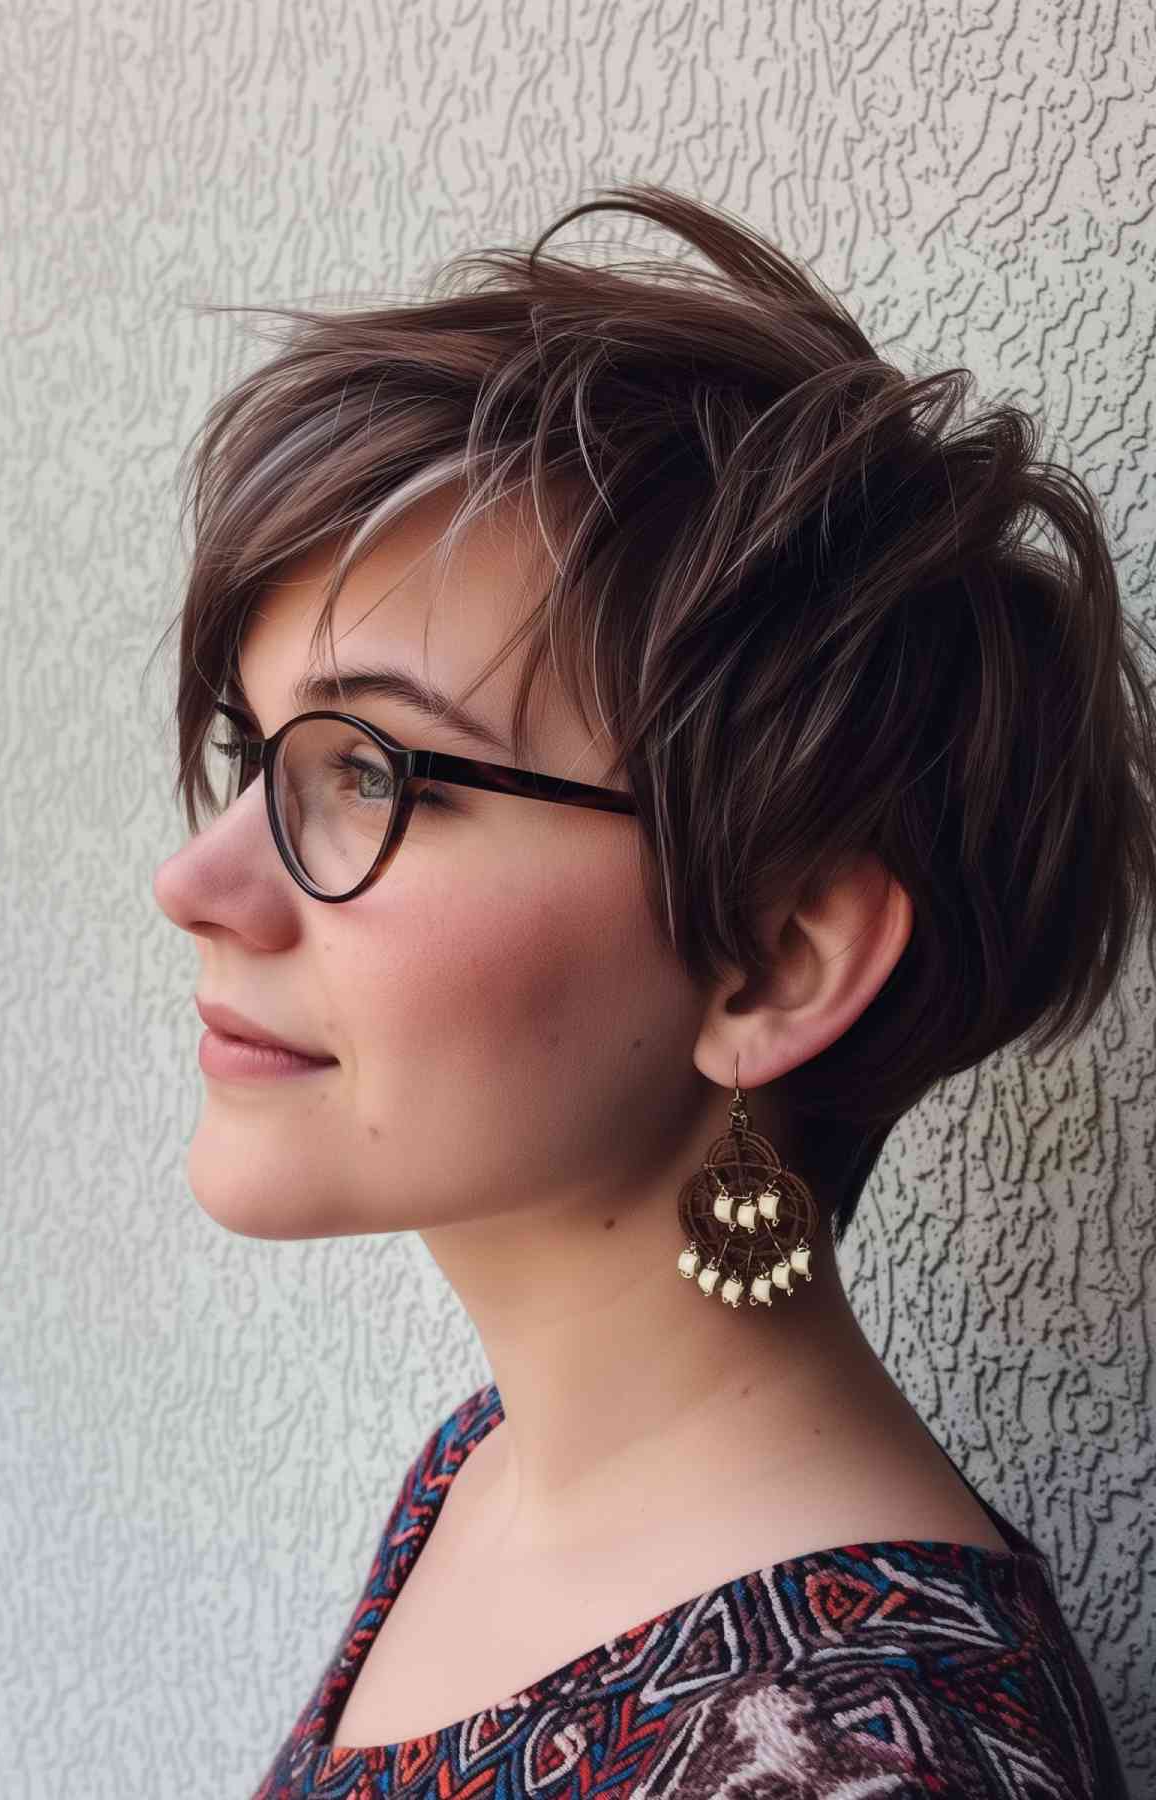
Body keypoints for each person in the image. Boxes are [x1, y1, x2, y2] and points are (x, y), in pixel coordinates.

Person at [151, 182, 1152, 1798]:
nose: (198, 882)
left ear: (775, 959)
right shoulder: (484, 1473)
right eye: (253, 755)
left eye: (373, 774)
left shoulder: (859, 1764)